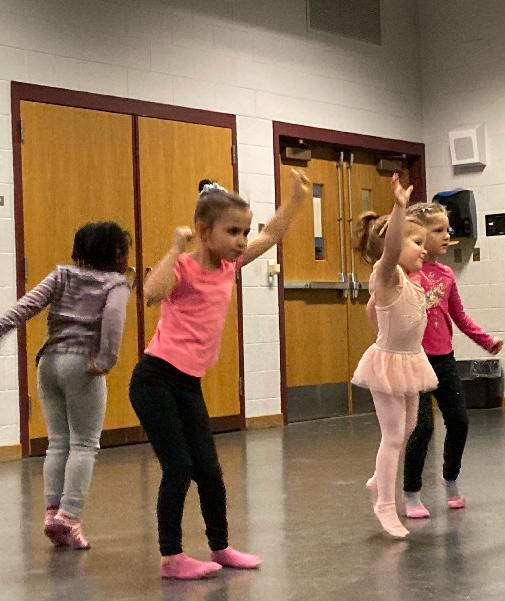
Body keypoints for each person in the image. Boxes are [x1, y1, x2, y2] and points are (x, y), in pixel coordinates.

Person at [129, 169, 311, 578]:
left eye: (244, 231)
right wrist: (175, 248)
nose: (242, 241)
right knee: (179, 467)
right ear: (203, 230)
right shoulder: (184, 268)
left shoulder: (230, 265)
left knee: (209, 470)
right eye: (233, 232)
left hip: (187, 383)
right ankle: (171, 557)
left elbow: (273, 233)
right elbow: (151, 294)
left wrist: (297, 199)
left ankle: (220, 546)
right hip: (154, 380)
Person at [0, 221, 133, 549]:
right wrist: (105, 360)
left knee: (57, 442)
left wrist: (1, 327)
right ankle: (70, 516)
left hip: (49, 362)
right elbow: (114, 322)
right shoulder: (116, 283)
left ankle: (52, 513)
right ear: (117, 253)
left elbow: (28, 305)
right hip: (82, 365)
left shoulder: (61, 274)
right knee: (85, 444)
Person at [401, 202, 502, 519]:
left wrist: (486, 340)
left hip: (444, 361)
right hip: (415, 361)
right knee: (422, 428)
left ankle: (451, 480)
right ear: (417, 234)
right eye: (438, 230)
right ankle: (412, 493)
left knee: (459, 421)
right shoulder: (405, 273)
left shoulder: (445, 274)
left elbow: (458, 316)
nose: (446, 236)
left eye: (448, 230)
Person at [351, 174, 437, 539]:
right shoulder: (386, 275)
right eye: (416, 242)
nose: (424, 249)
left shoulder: (409, 281)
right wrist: (400, 207)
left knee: (409, 428)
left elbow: (374, 312)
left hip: (410, 360)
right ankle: (385, 503)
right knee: (393, 437)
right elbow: (389, 254)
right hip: (388, 365)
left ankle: (377, 480)